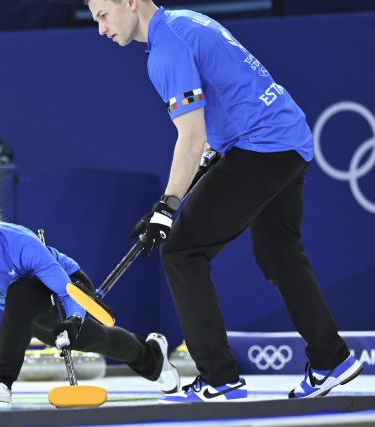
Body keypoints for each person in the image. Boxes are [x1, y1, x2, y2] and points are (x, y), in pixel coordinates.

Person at [84, 0, 362, 402]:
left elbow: (191, 136)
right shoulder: (184, 22)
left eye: (102, 16)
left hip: (262, 147)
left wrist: (166, 208)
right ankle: (330, 359)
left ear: (130, 2)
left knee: (181, 250)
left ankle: (219, 377)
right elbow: (224, 100)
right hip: (287, 139)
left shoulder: (167, 49)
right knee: (279, 255)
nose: (101, 29)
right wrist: (173, 199)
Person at [0, 191, 180, 408]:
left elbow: (63, 286)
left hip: (66, 287)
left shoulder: (20, 243)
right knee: (95, 338)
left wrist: (73, 320)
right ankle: (153, 355)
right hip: (23, 309)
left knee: (30, 298)